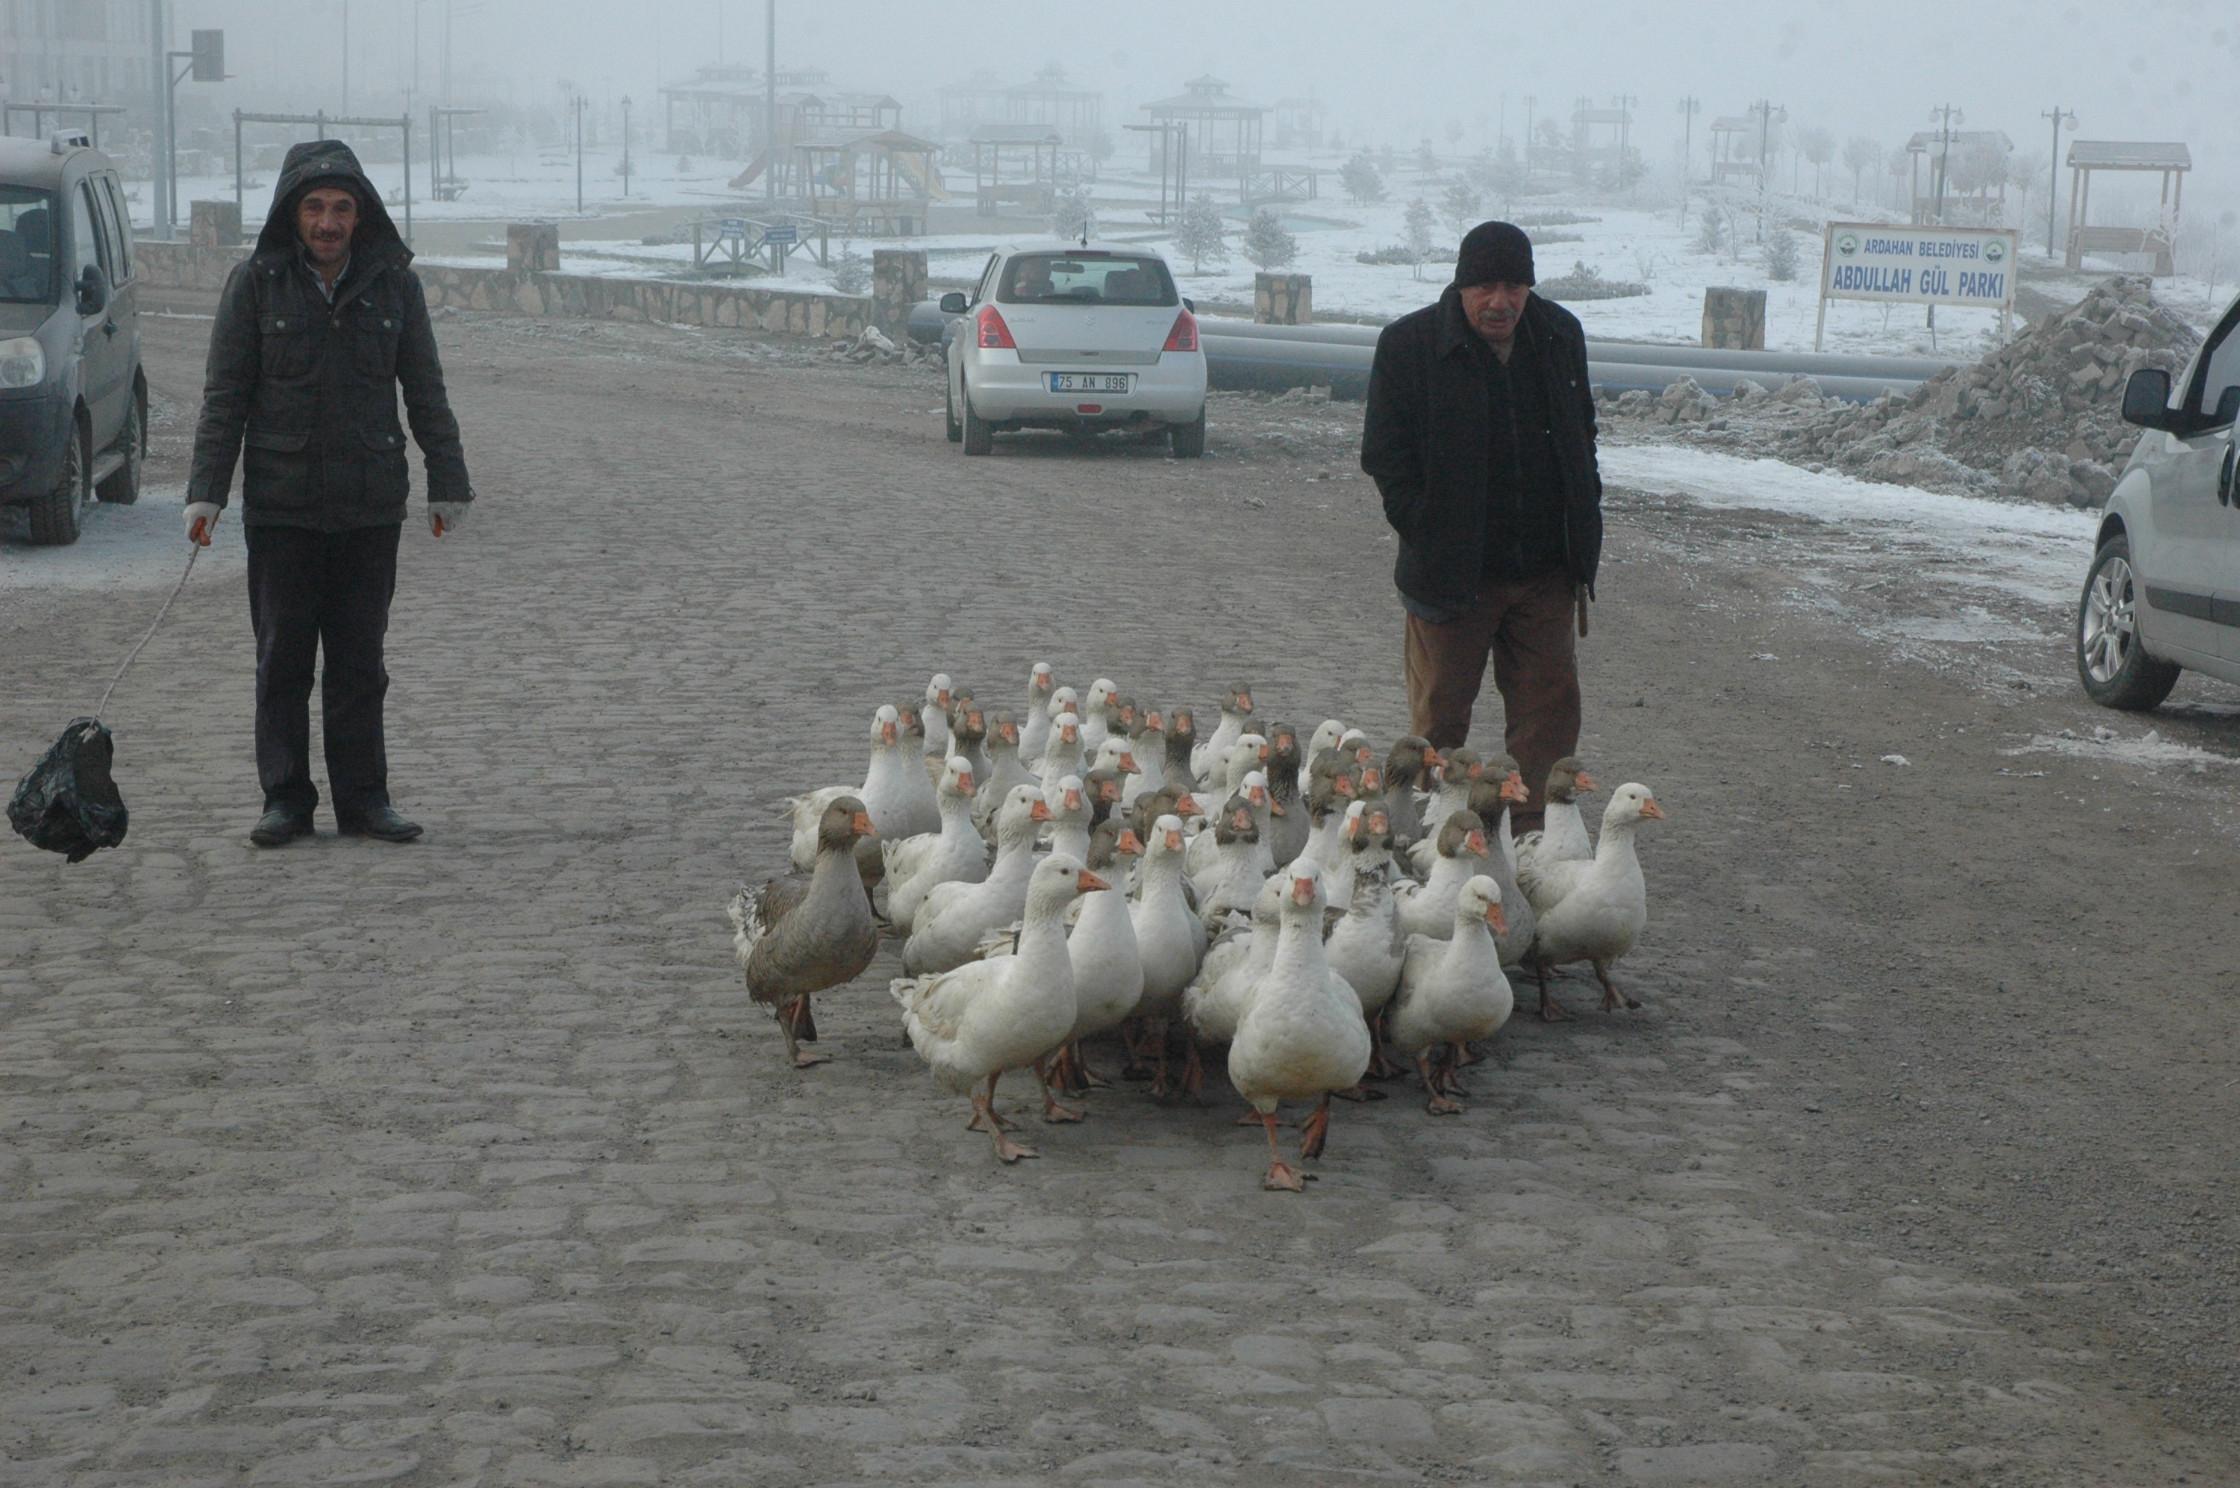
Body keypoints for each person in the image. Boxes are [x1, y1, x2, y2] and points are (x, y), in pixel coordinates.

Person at [183, 139, 473, 847]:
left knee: (359, 662)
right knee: (283, 660)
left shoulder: (395, 286)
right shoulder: (254, 284)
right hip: (282, 505)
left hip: (369, 505)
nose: (328, 221)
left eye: (342, 208)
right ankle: (285, 800)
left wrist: (448, 478)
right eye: (314, 206)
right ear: (292, 212)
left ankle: (365, 802)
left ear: (361, 214)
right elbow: (226, 396)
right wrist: (206, 494)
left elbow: (424, 387)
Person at [1359, 220, 1602, 835]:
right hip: (1449, 575)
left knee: (1548, 714)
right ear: (1461, 287)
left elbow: (1583, 434)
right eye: (1486, 286)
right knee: (1439, 719)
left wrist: (1582, 518)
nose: (1501, 301)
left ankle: (1532, 836)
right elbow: (1384, 455)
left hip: (1545, 571)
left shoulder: (1558, 334)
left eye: (1515, 285)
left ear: (1530, 286)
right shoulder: (1409, 345)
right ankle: (1425, 832)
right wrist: (1425, 525)